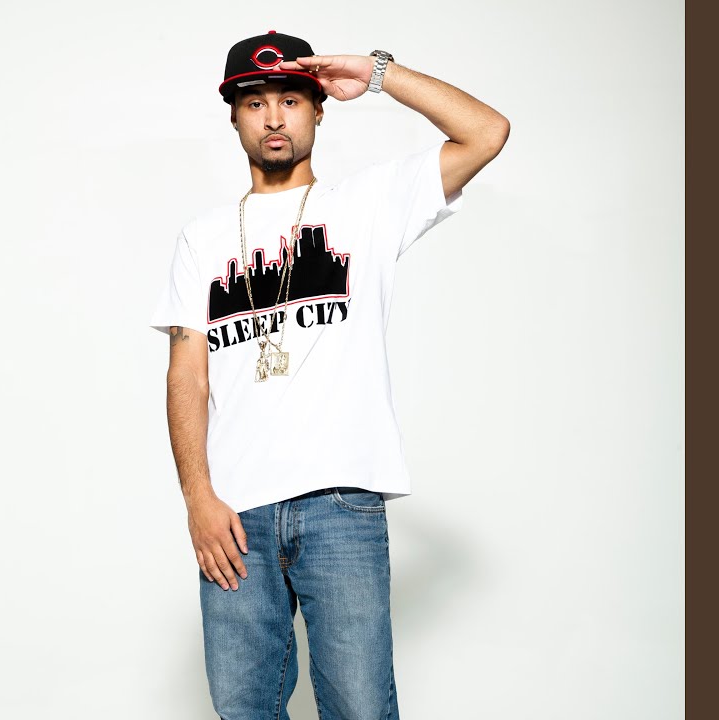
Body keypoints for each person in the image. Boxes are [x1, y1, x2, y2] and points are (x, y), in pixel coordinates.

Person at [148, 30, 508, 719]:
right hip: (234, 515)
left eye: (291, 100)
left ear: (319, 110)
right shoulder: (202, 238)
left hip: (340, 502)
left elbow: (487, 132)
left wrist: (377, 73)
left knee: (361, 708)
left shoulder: (368, 205)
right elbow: (186, 377)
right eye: (255, 102)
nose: (273, 117)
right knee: (242, 709)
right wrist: (198, 500)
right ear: (234, 118)